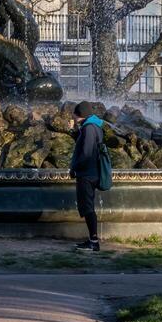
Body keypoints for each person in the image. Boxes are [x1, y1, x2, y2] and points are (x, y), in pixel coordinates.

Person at [69, 100, 107, 251]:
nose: (73, 116)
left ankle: (94, 242)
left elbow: (86, 153)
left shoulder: (89, 128)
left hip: (87, 173)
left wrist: (75, 168)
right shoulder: (93, 126)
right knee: (87, 206)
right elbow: (85, 145)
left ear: (81, 114)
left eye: (75, 113)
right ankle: (92, 240)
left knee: (88, 207)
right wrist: (74, 131)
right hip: (91, 172)